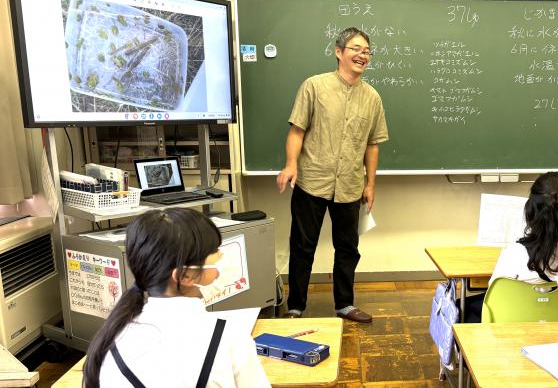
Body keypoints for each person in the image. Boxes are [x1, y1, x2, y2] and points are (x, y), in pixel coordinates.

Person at [82, 208, 270, 388]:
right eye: (214, 252)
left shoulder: (112, 341)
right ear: (183, 276)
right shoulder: (231, 337)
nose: (221, 257)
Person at [277, 27, 389, 323]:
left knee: (348, 248)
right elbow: (297, 130)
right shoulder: (314, 87)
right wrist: (291, 164)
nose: (363, 55)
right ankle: (295, 307)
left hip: (350, 185)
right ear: (338, 52)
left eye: (367, 51)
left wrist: (371, 184)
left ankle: (345, 304)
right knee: (302, 247)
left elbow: (372, 145)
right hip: (312, 181)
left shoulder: (372, 98)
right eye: (356, 49)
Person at [464, 172, 558, 322]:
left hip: (519, 331)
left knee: (468, 305)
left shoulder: (514, 254)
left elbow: (494, 299)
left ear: (531, 211)